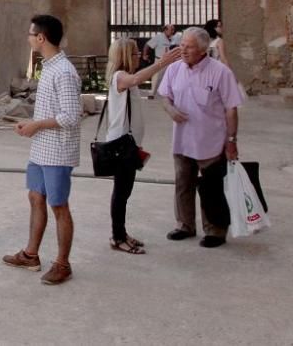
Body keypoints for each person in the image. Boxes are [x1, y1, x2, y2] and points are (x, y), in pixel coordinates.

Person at [3, 14, 82, 285]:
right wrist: (33, 124)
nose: (27, 37)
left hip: (58, 151)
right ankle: (30, 254)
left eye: (30, 33)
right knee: (35, 198)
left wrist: (37, 125)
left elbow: (72, 116)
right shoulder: (48, 66)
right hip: (41, 150)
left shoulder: (63, 71)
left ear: (41, 37)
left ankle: (63, 263)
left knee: (59, 205)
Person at [159, 26, 243, 248]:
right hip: (182, 140)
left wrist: (232, 141)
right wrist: (170, 109)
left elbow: (231, 109)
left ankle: (215, 230)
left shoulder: (220, 72)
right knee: (183, 183)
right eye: (182, 45)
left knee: (211, 188)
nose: (183, 50)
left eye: (189, 47)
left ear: (203, 49)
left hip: (211, 141)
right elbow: (165, 96)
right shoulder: (174, 69)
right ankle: (184, 225)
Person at [102, 38, 182, 254]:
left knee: (125, 192)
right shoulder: (120, 77)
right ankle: (118, 237)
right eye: (136, 53)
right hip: (121, 146)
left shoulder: (128, 80)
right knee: (121, 193)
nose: (139, 56)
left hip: (130, 145)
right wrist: (161, 63)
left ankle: (121, 233)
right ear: (126, 56)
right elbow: (137, 77)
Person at [143, 24, 181, 97]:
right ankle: (152, 93)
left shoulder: (176, 37)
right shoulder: (158, 37)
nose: (173, 31)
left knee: (171, 77)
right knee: (156, 77)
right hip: (160, 60)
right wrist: (144, 55)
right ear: (165, 30)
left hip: (171, 60)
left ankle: (168, 94)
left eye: (173, 29)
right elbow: (147, 45)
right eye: (171, 30)